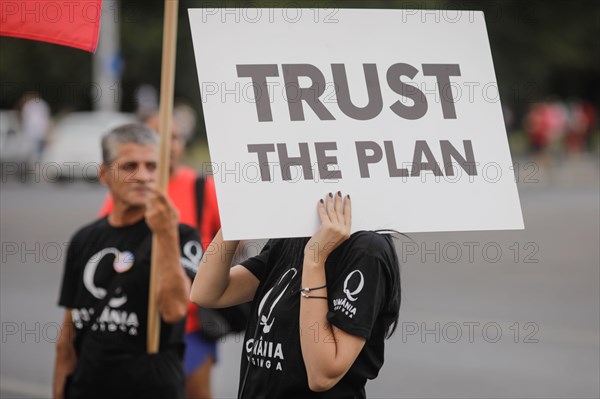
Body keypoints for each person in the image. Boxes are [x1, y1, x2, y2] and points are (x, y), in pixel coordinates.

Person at [190, 192, 401, 398]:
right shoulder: (295, 233)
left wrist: (315, 259)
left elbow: (322, 375)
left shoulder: (367, 249)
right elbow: (207, 292)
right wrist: (236, 219)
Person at [53, 124, 202, 399]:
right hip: (87, 386)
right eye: (130, 166)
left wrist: (166, 234)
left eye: (152, 166)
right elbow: (67, 337)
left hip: (151, 389)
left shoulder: (181, 235)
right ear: (104, 174)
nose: (143, 176)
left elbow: (174, 310)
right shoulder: (84, 239)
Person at [97, 113, 221, 399]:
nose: (169, 145)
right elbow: (107, 242)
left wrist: (200, 268)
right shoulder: (130, 189)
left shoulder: (202, 187)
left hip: (191, 324)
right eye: (158, 135)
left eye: (175, 137)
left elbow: (229, 241)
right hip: (138, 323)